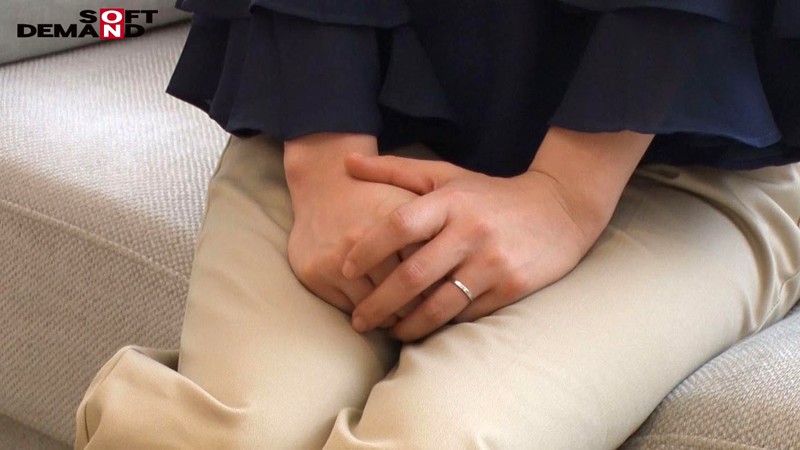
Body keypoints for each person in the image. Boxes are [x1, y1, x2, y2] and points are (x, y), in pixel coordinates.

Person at [75, 1, 800, 448]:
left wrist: (567, 193)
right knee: (233, 433)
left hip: (679, 154)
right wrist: (327, 162)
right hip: (351, 117)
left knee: (442, 436)